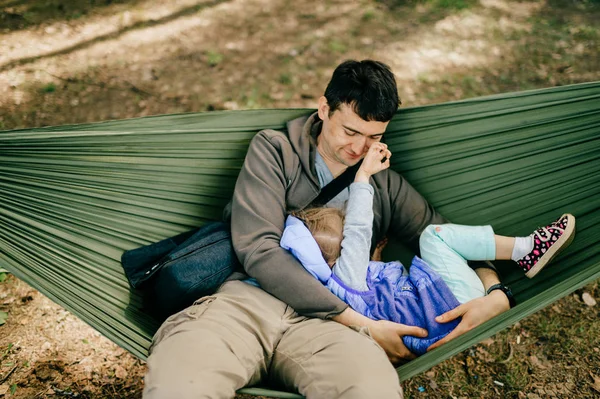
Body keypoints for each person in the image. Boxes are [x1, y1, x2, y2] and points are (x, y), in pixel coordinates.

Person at [143, 59, 518, 398]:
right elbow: (259, 249)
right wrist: (362, 324)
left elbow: (445, 234)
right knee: (182, 377)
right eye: (350, 131)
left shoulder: (384, 184)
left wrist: (495, 292)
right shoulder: (276, 151)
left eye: (374, 136)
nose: (360, 148)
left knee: (371, 389)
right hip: (253, 302)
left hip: (334, 331)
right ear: (324, 108)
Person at [281, 142, 576, 355]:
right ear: (336, 258)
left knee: (434, 241)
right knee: (433, 237)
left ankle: (521, 253)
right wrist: (362, 177)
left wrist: (375, 259)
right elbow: (358, 230)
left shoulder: (335, 287)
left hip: (439, 325)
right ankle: (525, 249)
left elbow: (375, 298)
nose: (351, 240)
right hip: (450, 304)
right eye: (344, 239)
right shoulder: (346, 272)